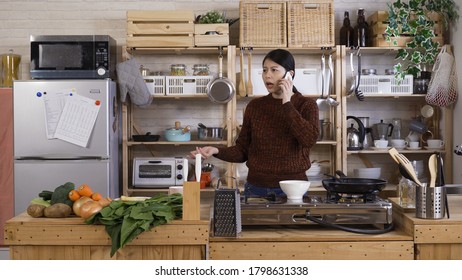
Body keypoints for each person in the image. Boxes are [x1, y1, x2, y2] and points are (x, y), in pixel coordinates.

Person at [191, 49, 319, 198]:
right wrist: (216, 151)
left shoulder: (307, 105)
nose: (267, 75)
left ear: (289, 75)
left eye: (274, 70)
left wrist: (287, 104)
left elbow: (309, 139)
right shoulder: (255, 106)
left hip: (293, 190)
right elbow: (242, 150)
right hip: (255, 188)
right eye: (264, 70)